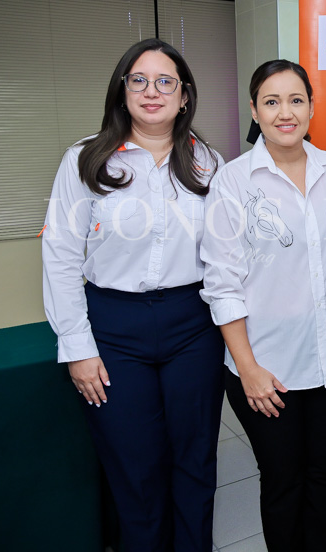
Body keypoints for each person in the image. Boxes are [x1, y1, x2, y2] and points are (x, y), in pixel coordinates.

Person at [41, 38, 224, 552]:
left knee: (194, 461)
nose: (152, 91)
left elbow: (228, 256)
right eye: (138, 80)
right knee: (134, 466)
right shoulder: (85, 159)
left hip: (194, 324)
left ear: (184, 95)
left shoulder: (208, 162)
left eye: (166, 81)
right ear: (122, 91)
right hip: (113, 328)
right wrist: (76, 346)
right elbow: (59, 256)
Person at [200, 60, 326, 552]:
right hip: (266, 369)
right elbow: (221, 283)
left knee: (321, 480)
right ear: (255, 110)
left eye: (296, 100)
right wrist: (247, 368)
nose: (285, 112)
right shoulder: (233, 182)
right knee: (283, 482)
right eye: (271, 102)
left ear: (312, 107)